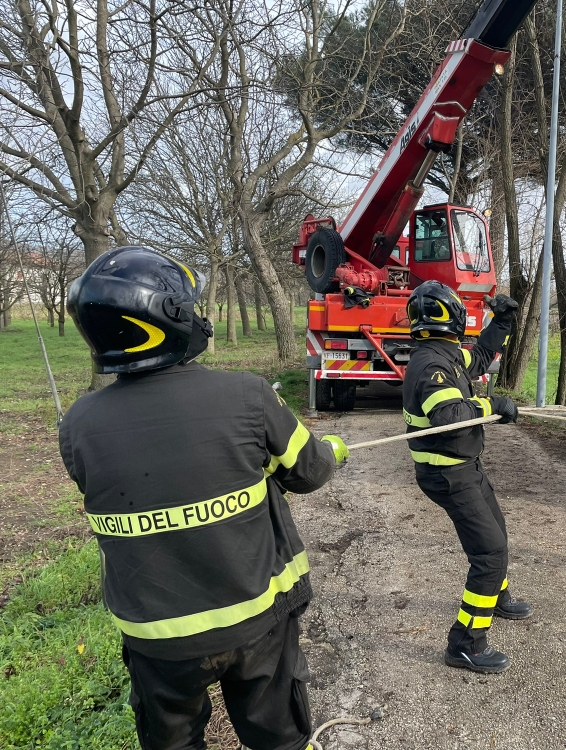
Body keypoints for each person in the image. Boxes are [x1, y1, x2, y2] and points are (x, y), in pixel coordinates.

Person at [58, 246, 349, 750]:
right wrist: (334, 450)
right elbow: (309, 472)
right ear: (168, 319)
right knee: (279, 739)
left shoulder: (77, 425)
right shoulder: (247, 395)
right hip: (255, 620)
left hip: (155, 639)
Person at [402, 280, 532, 674]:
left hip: (463, 467)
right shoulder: (431, 366)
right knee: (490, 554)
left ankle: (496, 597)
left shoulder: (443, 353)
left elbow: (478, 357)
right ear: (454, 316)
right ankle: (465, 644)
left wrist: (501, 322)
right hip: (447, 474)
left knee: (497, 533)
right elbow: (450, 416)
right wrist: (493, 405)